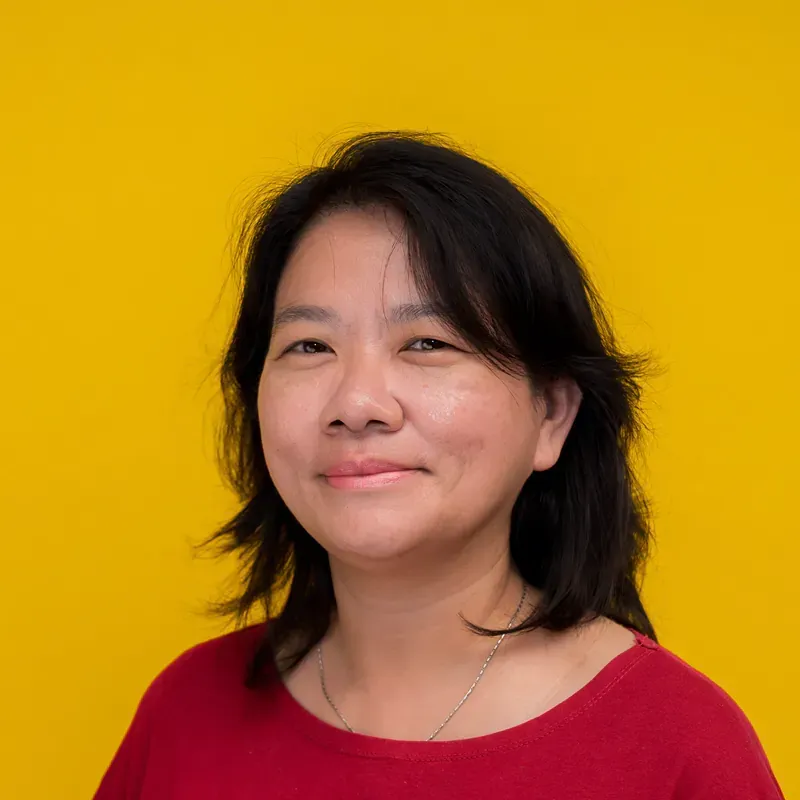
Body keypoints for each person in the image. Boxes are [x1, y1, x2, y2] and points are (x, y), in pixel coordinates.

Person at [94, 131, 785, 798]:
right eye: (308, 346)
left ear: (551, 415)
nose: (357, 403)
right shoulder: (185, 716)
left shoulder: (678, 748)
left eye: (426, 342)